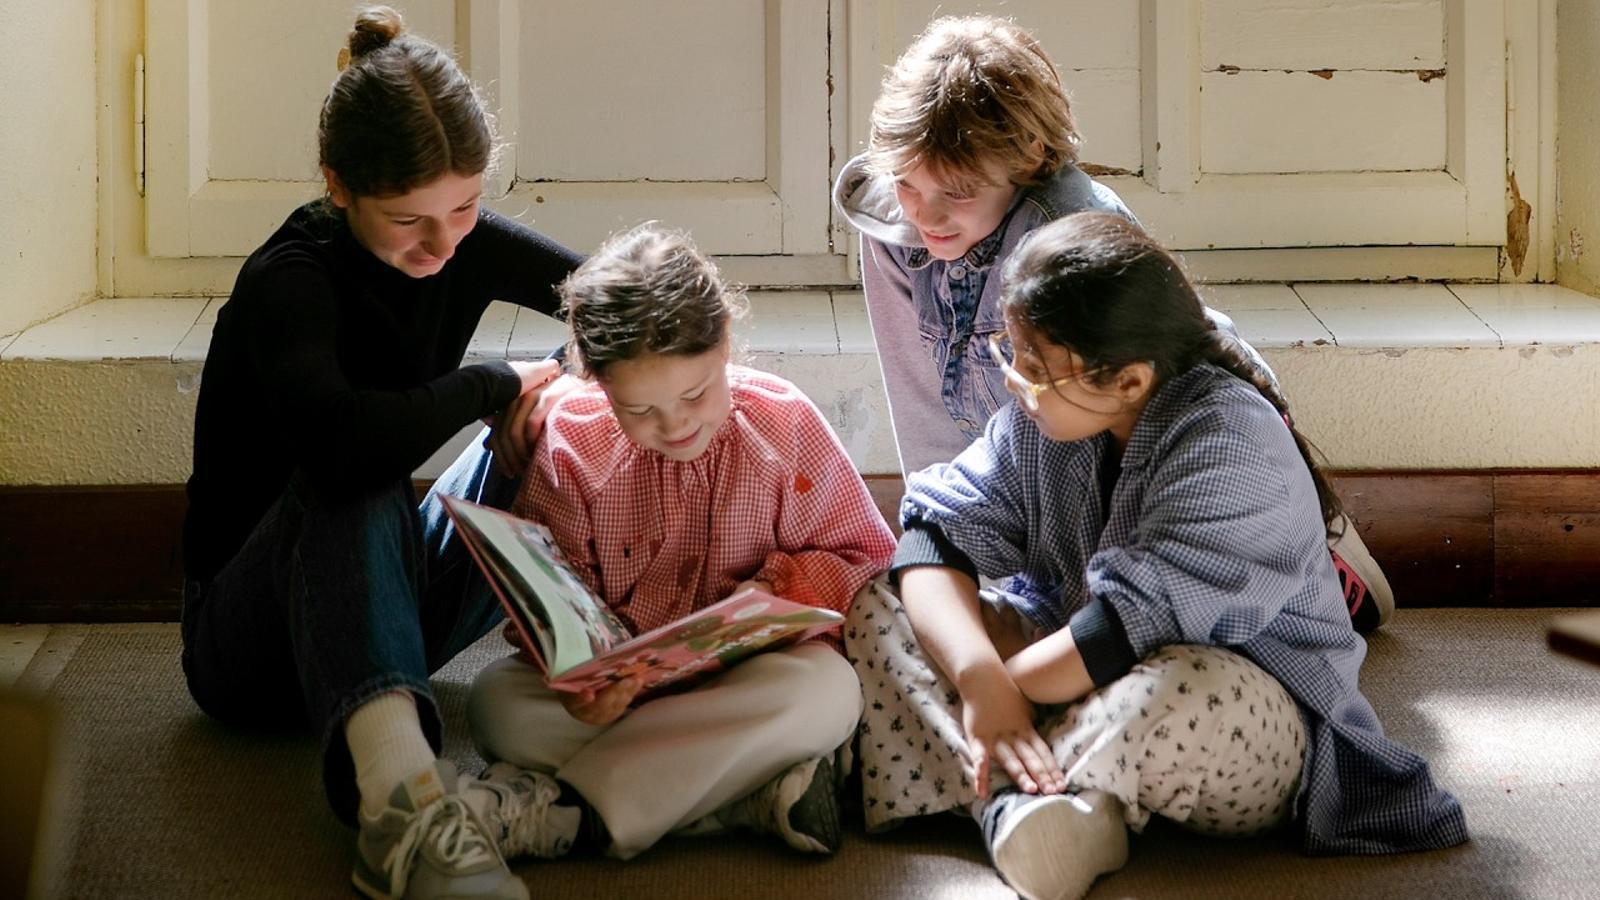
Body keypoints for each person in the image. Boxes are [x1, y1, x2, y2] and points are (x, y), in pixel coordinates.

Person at [845, 212, 1467, 900]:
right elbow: (934, 535)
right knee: (882, 599)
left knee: (1187, 691)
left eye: (1036, 368)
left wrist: (996, 690)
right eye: (1013, 354)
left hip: (1240, 697)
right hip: (1064, 664)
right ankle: (1038, 805)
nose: (1016, 381)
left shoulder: (1230, 442)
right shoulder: (1047, 419)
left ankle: (994, 783)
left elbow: (1120, 631)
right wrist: (977, 675)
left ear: (1129, 382)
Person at [179, 8, 584, 899]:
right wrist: (492, 384)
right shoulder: (291, 279)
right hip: (246, 650)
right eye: (409, 220)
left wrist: (547, 391)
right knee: (355, 469)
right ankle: (405, 806)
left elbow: (609, 291)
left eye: (465, 207)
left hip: (387, 605)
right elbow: (341, 448)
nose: (443, 244)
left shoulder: (458, 238)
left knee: (550, 422)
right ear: (339, 188)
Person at [832, 14, 1392, 631]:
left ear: (1030, 155)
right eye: (908, 184)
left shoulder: (1068, 234)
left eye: (958, 192)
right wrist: (956, 548)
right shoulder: (894, 220)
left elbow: (1117, 421)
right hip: (1034, 438)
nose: (926, 214)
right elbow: (917, 394)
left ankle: (1313, 547)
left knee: (1154, 610)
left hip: (1162, 435)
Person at [463, 223, 898, 863]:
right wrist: (583, 680)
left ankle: (567, 814)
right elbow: (556, 597)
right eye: (639, 410)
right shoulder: (572, 443)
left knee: (829, 694)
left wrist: (776, 588)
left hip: (753, 678)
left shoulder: (784, 422)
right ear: (596, 382)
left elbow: (864, 559)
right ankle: (744, 795)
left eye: (695, 393)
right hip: (627, 701)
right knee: (496, 704)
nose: (675, 425)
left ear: (724, 341)